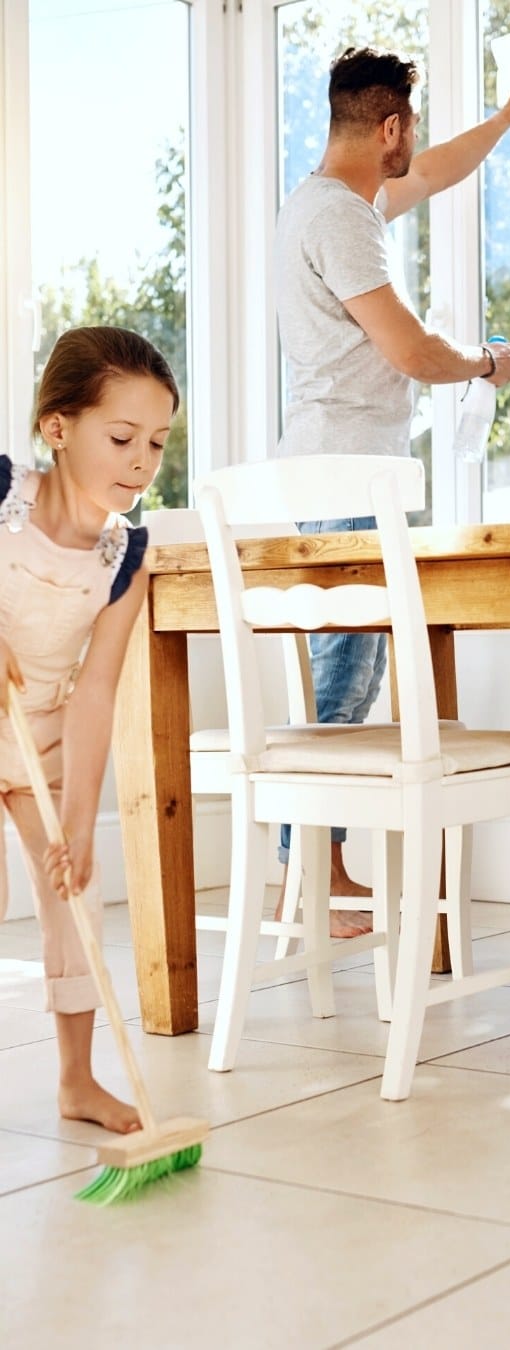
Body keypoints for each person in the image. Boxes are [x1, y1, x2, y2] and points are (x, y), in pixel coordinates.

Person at [273, 43, 510, 937]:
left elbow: (432, 172)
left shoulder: (330, 203)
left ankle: (312, 867)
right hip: (350, 466)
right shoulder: (345, 221)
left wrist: (508, 117)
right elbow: (411, 351)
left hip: (335, 461)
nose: (415, 146)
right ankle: (308, 871)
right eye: (410, 128)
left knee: (343, 668)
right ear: (386, 124)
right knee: (345, 677)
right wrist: (487, 361)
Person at [0, 325, 177, 1134]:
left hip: (39, 730)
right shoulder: (2, 496)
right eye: (121, 437)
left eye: (157, 442)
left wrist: (78, 822)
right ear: (57, 427)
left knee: (75, 891)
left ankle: (77, 1080)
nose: (141, 460)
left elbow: (96, 688)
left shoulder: (125, 555)